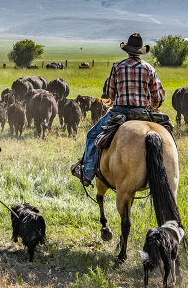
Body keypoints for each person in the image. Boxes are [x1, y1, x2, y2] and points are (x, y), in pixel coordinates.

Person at [71, 33, 165, 186]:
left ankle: (87, 174)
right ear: (140, 52)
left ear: (127, 50)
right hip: (143, 113)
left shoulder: (117, 67)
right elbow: (158, 97)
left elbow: (110, 92)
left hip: (119, 112)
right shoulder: (149, 69)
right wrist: (151, 107)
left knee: (92, 135)